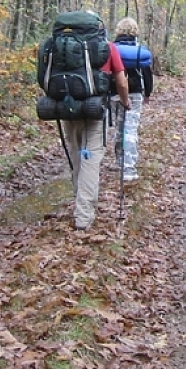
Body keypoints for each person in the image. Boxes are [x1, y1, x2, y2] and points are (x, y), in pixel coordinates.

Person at [64, 37, 131, 231]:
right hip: (94, 110)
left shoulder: (63, 46)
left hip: (67, 108)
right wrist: (125, 102)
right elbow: (121, 81)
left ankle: (80, 200)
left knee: (77, 156)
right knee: (90, 161)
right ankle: (83, 217)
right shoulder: (107, 47)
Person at [112, 17, 153, 182]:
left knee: (119, 128)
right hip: (135, 94)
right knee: (130, 129)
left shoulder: (111, 49)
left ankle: (119, 162)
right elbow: (147, 75)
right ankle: (129, 169)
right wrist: (148, 93)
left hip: (114, 94)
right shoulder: (139, 50)